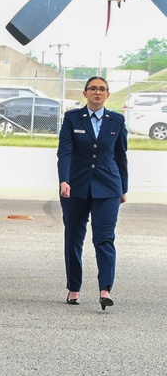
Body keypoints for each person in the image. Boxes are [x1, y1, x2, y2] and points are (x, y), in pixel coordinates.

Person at [57, 76, 128, 310]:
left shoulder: (116, 120)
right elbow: (65, 152)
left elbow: (121, 156)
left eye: (102, 89)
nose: (98, 92)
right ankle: (74, 288)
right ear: (85, 93)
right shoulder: (72, 118)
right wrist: (64, 180)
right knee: (74, 238)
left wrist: (123, 188)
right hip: (75, 187)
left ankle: (105, 289)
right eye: (93, 89)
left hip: (108, 187)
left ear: (108, 94)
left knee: (104, 237)